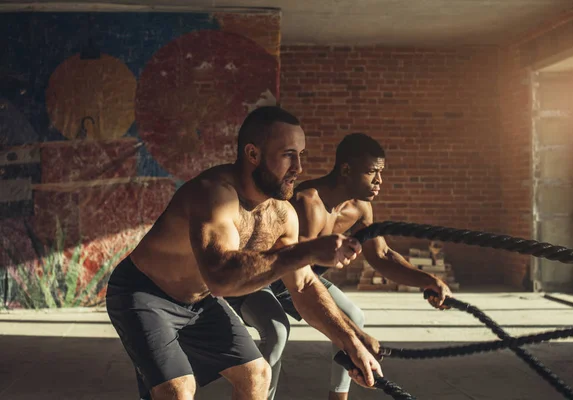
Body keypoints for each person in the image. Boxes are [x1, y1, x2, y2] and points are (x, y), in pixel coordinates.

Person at [105, 108, 383, 400]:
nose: (299, 167)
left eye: (302, 155)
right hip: (144, 294)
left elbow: (302, 285)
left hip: (199, 301)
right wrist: (307, 251)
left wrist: (350, 339)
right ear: (253, 154)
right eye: (288, 154)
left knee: (257, 375)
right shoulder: (214, 194)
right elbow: (221, 278)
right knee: (178, 390)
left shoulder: (282, 214)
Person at [228, 132, 453, 400]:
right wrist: (355, 337)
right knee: (276, 333)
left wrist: (427, 280)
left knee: (354, 315)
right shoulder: (307, 202)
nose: (379, 181)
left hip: (304, 279)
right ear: (346, 169)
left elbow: (382, 255)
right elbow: (296, 275)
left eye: (381, 173)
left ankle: (338, 398)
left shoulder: (360, 207)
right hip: (264, 280)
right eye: (372, 172)